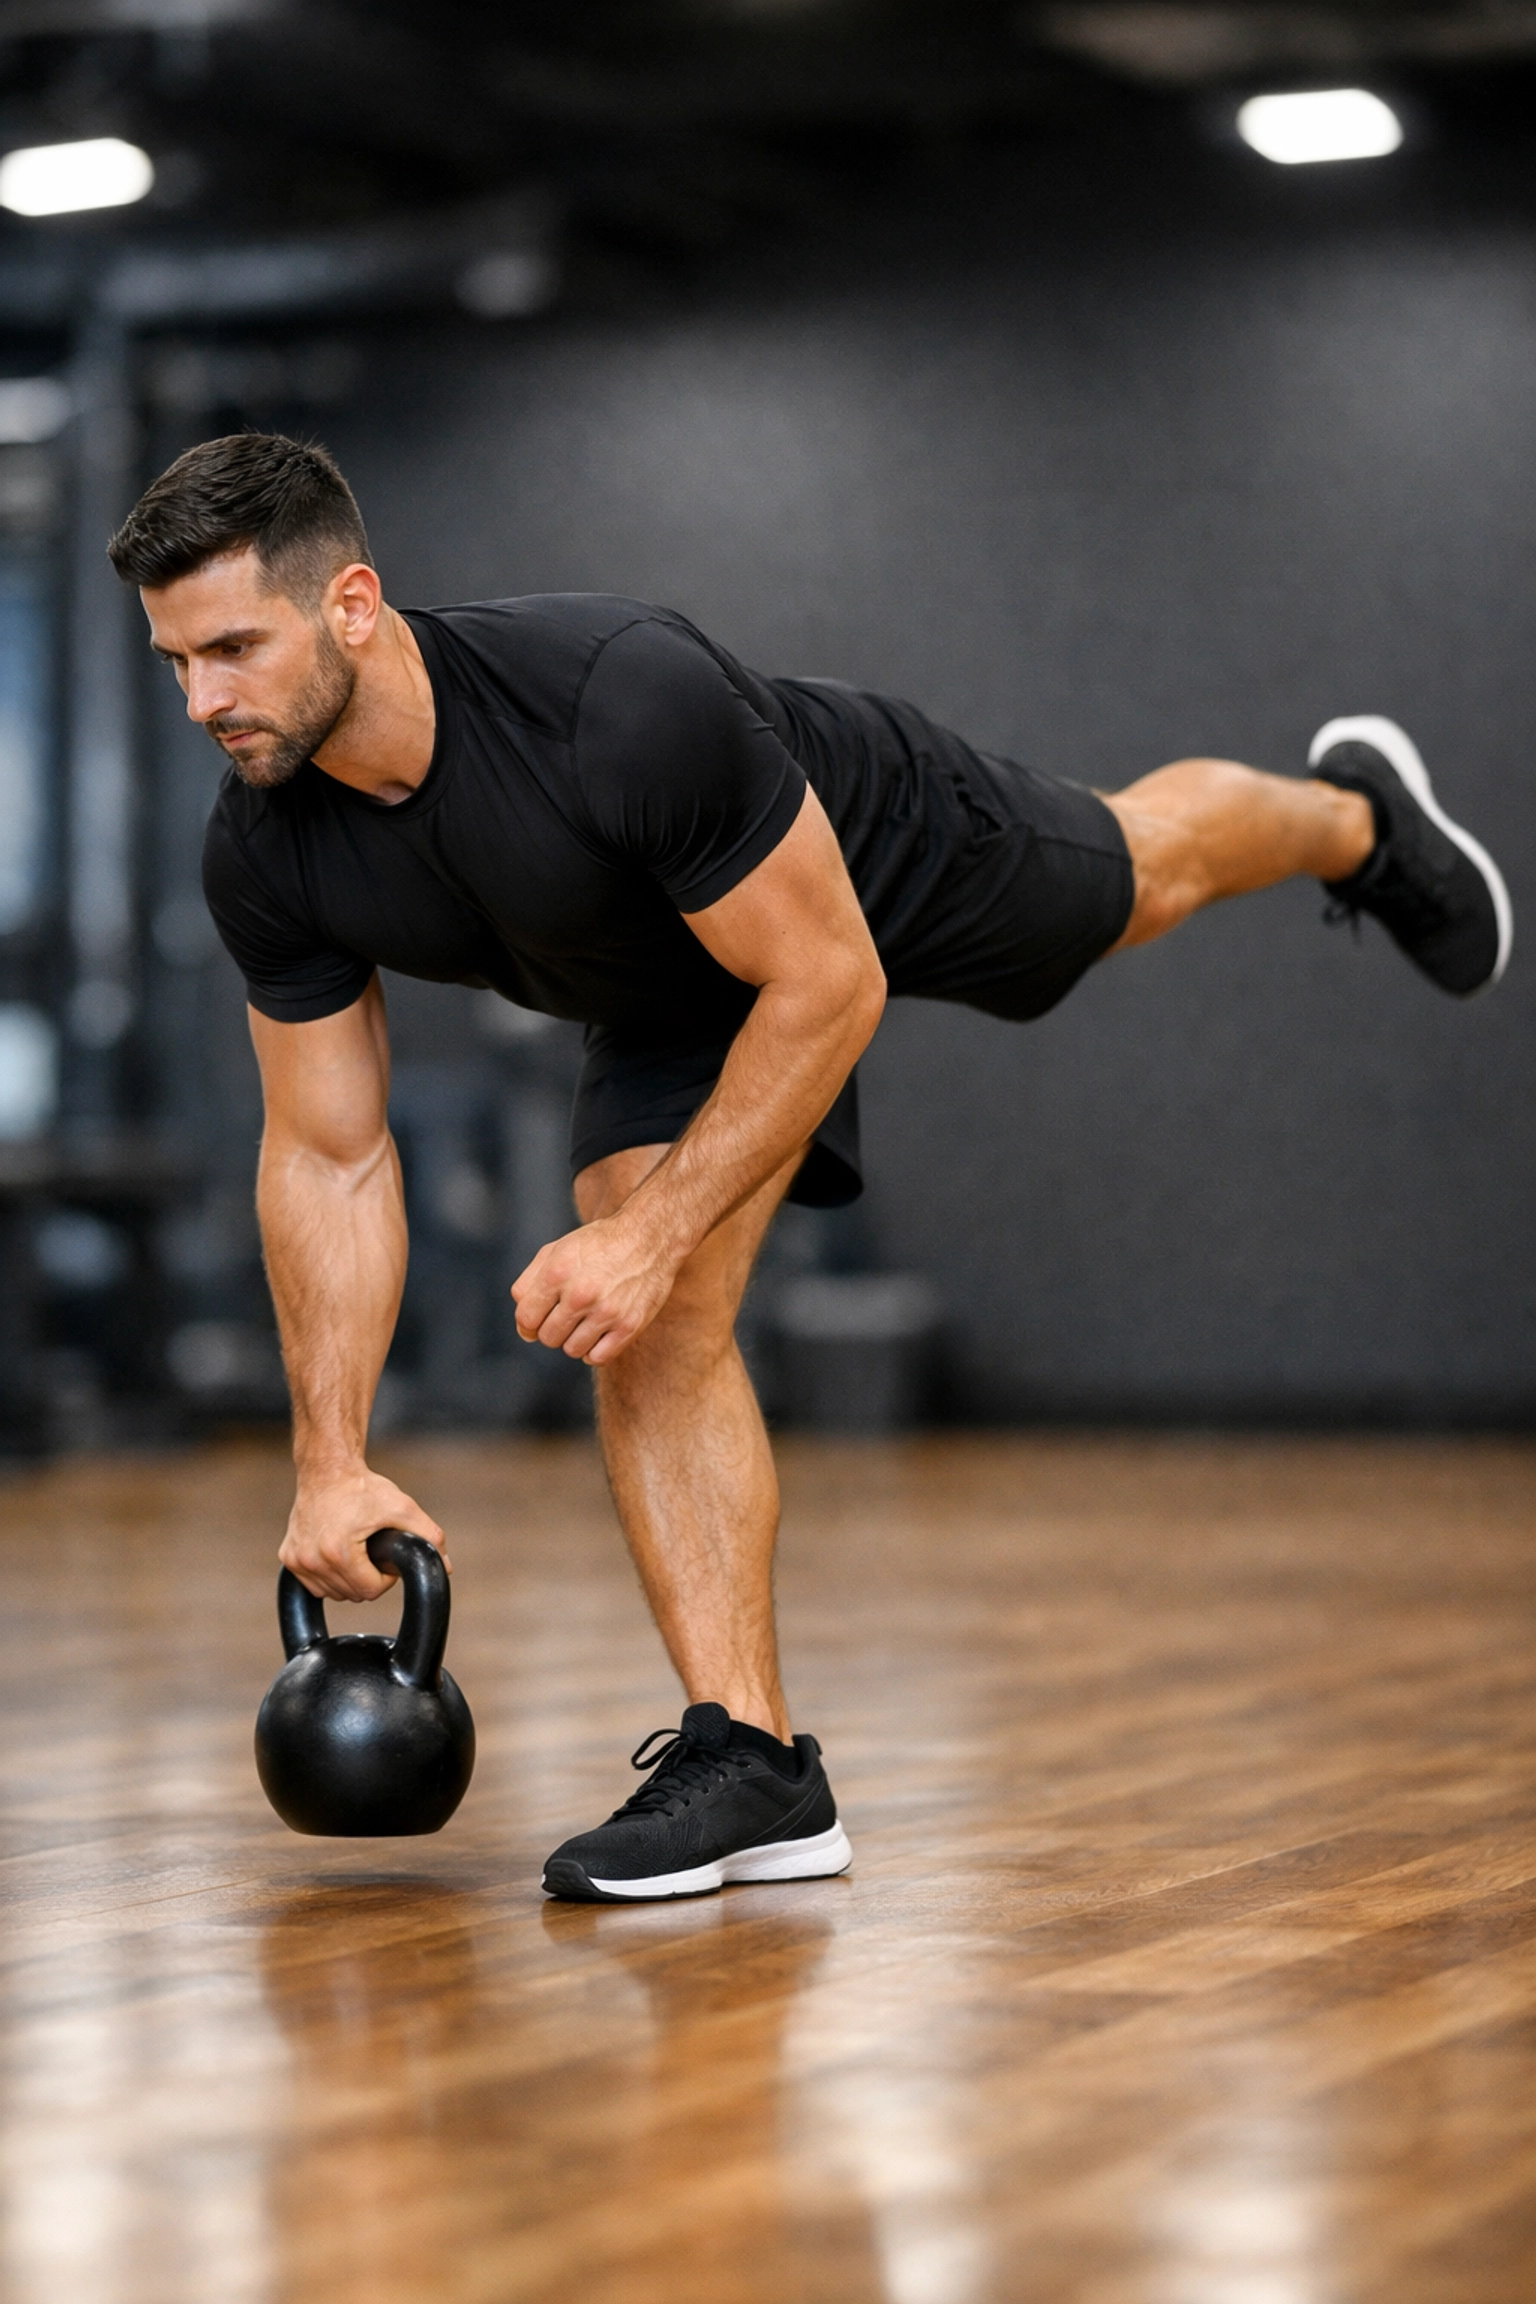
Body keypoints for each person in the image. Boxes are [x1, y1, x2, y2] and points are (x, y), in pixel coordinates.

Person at [109, 433, 1511, 1902]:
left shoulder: (614, 701)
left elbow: (829, 987)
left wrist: (650, 1233)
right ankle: (755, 1767)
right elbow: (328, 1154)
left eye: (231, 648)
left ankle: (1353, 821)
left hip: (864, 848)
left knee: (1138, 879)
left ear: (351, 604)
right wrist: (329, 1462)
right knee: (646, 1323)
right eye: (175, 665)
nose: (205, 700)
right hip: (663, 987)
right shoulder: (267, 847)